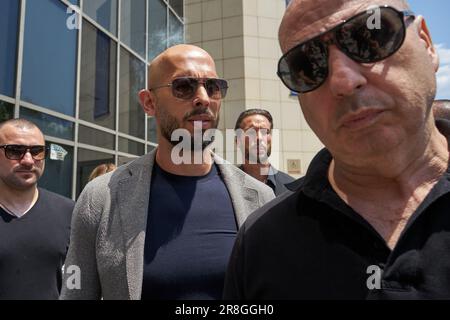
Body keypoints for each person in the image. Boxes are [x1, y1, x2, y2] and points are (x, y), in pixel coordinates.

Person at [224, 0, 450, 299]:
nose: (343, 81)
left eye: (370, 38)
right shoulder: (261, 242)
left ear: (426, 42)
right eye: (308, 65)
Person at [60, 44, 275, 300]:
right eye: (184, 86)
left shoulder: (260, 199)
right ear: (149, 102)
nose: (203, 98)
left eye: (213, 87)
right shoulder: (100, 199)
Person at [0, 119, 74, 299]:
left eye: (37, 151)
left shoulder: (70, 212)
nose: (27, 160)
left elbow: (79, 283)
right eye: (14, 151)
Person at [235, 108, 295, 196]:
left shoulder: (291, 187)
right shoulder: (226, 185)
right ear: (238, 141)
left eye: (265, 132)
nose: (259, 138)